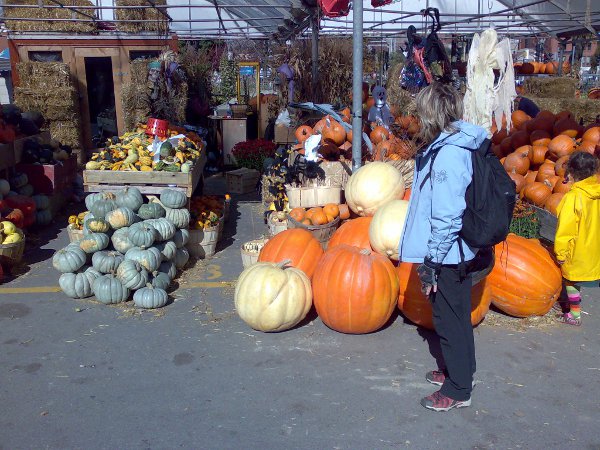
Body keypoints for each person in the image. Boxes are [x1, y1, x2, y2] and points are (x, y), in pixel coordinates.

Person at [399, 82, 487, 412]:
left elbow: (448, 214)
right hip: (458, 249)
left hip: (449, 253)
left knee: (449, 320)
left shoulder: (450, 153)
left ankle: (458, 389)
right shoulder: (454, 144)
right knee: (456, 316)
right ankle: (461, 371)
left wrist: (432, 261)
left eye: (421, 111)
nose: (417, 118)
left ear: (431, 113)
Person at [554, 151, 600, 326]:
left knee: (571, 278)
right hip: (594, 246)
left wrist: (561, 252)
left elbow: (566, 228)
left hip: (578, 247)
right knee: (583, 275)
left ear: (570, 173)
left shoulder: (573, 197)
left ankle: (574, 314)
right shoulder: (596, 192)